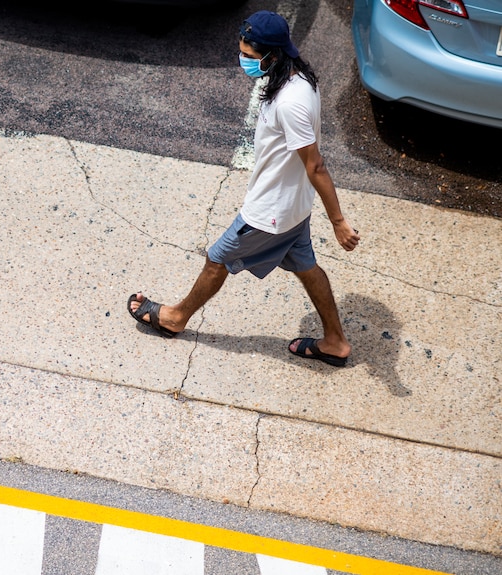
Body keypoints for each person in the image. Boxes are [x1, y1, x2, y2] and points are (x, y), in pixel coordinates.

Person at [127, 10, 360, 367]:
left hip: (270, 214)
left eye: (251, 58)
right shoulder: (297, 79)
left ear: (274, 54)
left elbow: (315, 164)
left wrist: (338, 220)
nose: (244, 63)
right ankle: (335, 342)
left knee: (217, 259)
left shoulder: (291, 102)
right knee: (307, 267)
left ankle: (176, 317)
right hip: (292, 207)